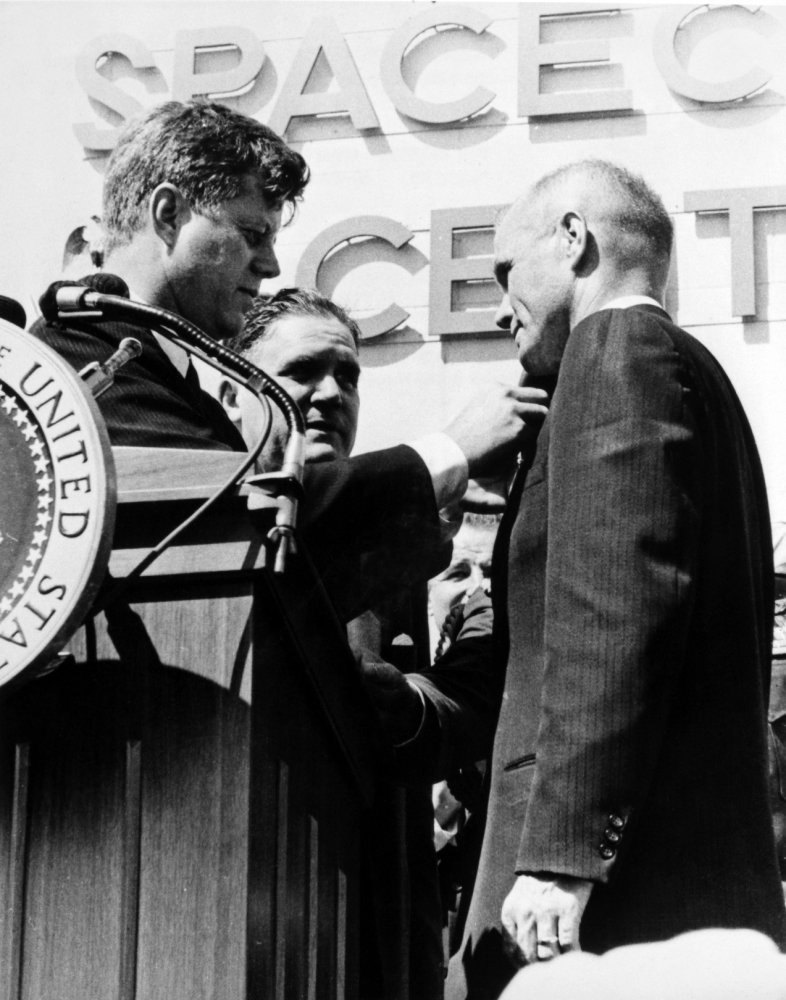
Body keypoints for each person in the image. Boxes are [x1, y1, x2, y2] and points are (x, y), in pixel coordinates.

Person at [385, 159, 785, 999]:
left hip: (600, 911)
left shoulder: (616, 346)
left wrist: (561, 855)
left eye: (504, 271)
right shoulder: (690, 372)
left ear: (574, 239)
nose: (499, 305)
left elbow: (615, 611)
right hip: (663, 888)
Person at [30, 100, 550, 625]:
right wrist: (451, 450)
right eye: (253, 235)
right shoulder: (82, 356)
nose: (271, 263)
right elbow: (235, 521)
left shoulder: (149, 360)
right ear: (169, 215)